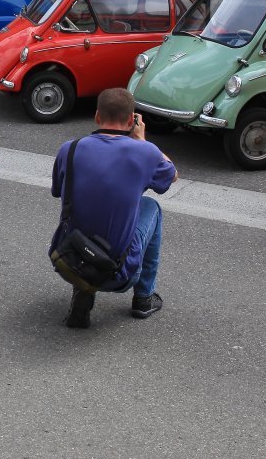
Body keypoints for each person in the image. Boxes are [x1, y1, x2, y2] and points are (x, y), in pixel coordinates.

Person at [50, 88, 178, 329]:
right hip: (119, 274)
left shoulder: (70, 149)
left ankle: (83, 291)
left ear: (97, 116)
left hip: (68, 260)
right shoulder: (144, 152)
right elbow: (172, 176)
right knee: (151, 206)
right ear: (131, 120)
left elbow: (57, 191)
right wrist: (141, 139)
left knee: (87, 212)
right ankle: (143, 298)